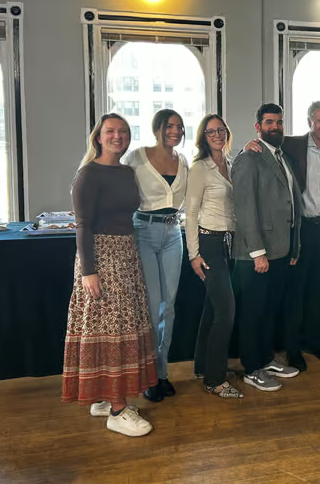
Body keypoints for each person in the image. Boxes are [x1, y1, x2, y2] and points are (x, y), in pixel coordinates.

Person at [62, 113, 157, 437]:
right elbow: (82, 226)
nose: (118, 136)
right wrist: (89, 272)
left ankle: (103, 397)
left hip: (126, 254)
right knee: (112, 330)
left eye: (123, 131)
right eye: (111, 131)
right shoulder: (88, 174)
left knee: (121, 326)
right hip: (101, 258)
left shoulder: (127, 172)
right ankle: (117, 410)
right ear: (98, 137)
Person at [244, 100, 320, 371]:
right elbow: (265, 141)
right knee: (296, 292)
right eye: (319, 121)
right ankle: (293, 349)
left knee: (319, 290)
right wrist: (248, 145)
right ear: (310, 122)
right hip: (302, 231)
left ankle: (314, 340)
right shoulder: (292, 145)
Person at [232, 103, 302, 392]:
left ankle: (265, 358)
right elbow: (245, 208)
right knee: (253, 312)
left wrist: (294, 247)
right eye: (270, 122)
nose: (276, 127)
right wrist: (257, 252)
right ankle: (251, 368)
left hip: (281, 250)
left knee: (269, 310)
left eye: (280, 122)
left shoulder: (280, 155)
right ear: (258, 126)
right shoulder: (250, 157)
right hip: (256, 254)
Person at [124, 109, 189, 403]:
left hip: (173, 233)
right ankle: (148, 375)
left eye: (179, 126)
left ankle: (162, 372)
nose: (174, 131)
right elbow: (117, 188)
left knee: (169, 307)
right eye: (169, 126)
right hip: (144, 233)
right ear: (157, 128)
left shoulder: (183, 161)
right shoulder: (136, 157)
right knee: (151, 308)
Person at [186, 114, 243, 399]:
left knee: (212, 308)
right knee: (226, 311)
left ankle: (202, 365)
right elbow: (191, 213)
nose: (218, 135)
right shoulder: (199, 168)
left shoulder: (231, 165)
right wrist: (193, 254)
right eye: (211, 132)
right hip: (209, 243)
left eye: (221, 130)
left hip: (229, 243)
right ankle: (215, 379)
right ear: (203, 138)